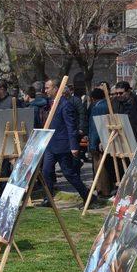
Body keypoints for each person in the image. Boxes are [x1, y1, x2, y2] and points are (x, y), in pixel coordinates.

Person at [40, 79, 97, 207]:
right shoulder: (50, 103)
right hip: (50, 145)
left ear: (56, 88)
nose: (46, 90)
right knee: (46, 171)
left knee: (69, 173)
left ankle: (87, 195)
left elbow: (71, 126)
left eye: (48, 87)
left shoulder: (65, 104)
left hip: (62, 145)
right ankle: (48, 198)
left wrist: (73, 146)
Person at [87, 88, 115, 198]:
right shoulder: (108, 104)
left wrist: (93, 144)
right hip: (107, 139)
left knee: (100, 167)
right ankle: (106, 189)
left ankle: (103, 191)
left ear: (93, 98)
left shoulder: (97, 107)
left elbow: (95, 127)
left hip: (99, 142)